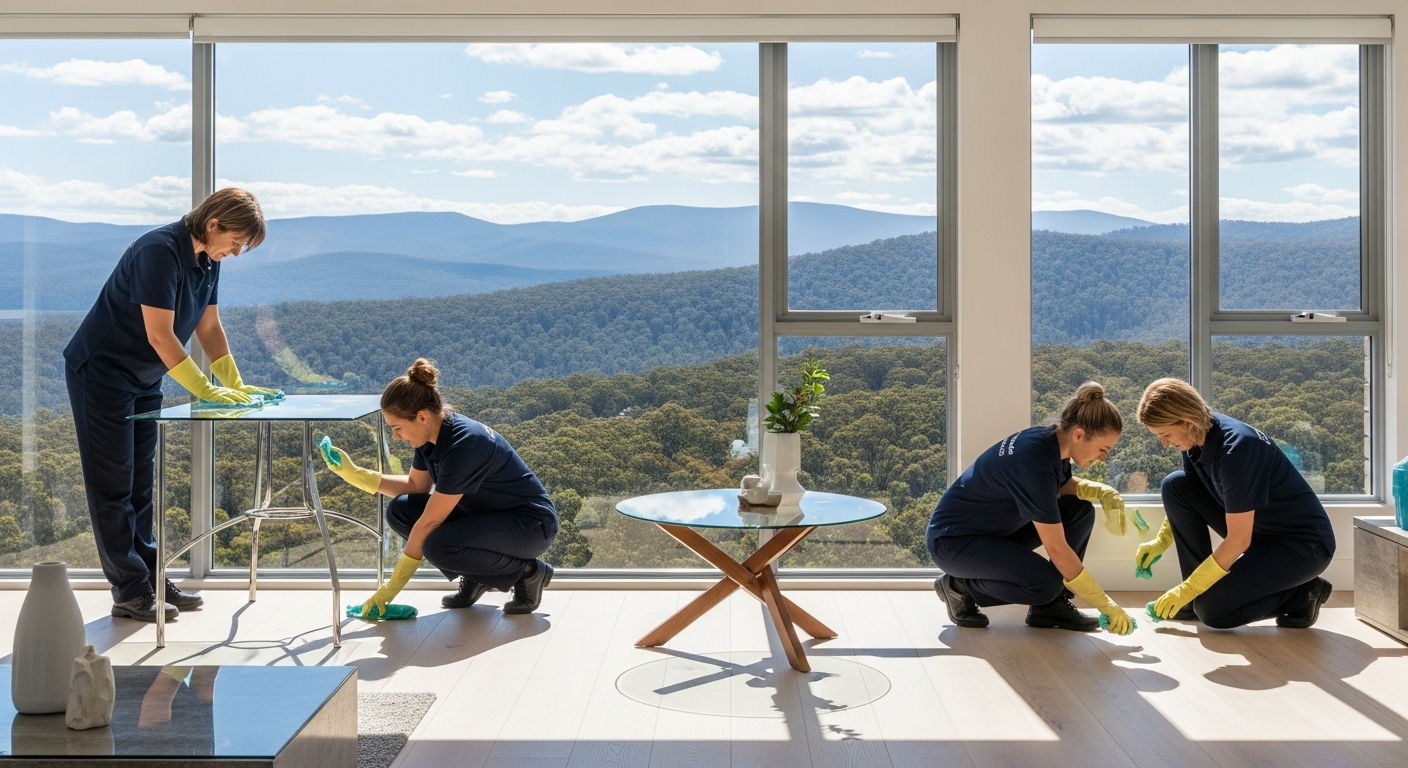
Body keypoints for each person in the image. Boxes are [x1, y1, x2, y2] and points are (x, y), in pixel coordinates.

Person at [64, 188, 273, 622]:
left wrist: (233, 382)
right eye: (235, 242)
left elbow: (208, 326)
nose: (234, 253)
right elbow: (161, 334)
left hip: (144, 377)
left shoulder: (207, 261)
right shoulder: (158, 251)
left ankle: (152, 579)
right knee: (113, 486)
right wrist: (205, 389)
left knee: (141, 485)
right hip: (100, 374)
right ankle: (130, 590)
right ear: (213, 223)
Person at [321, 359, 559, 616]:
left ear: (421, 416)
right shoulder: (430, 438)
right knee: (401, 510)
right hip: (485, 517)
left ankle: (528, 573)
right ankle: (479, 576)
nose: (396, 436)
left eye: (397, 428)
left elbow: (429, 524)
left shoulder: (464, 445)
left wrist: (390, 589)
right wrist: (353, 473)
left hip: (531, 526)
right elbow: (415, 486)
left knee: (436, 544)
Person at [927, 382, 1134, 634]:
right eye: (1103, 449)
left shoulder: (1050, 441)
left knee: (1079, 510)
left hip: (995, 531)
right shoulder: (1033, 464)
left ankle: (1050, 608)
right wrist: (1107, 605)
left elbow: (1062, 485)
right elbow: (1057, 550)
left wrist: (1102, 491)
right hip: (954, 543)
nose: (1104, 457)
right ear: (1079, 435)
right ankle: (958, 586)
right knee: (1045, 585)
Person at [1135, 378, 1335, 629]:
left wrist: (1187, 589)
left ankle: (1303, 594)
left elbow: (1239, 541)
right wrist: (1161, 541)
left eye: (1164, 434)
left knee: (1213, 612)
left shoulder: (1237, 450)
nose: (1163, 443)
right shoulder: (1195, 438)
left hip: (1302, 544)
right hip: (1259, 530)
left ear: (1185, 421)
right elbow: (1193, 493)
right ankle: (1196, 596)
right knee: (1176, 485)